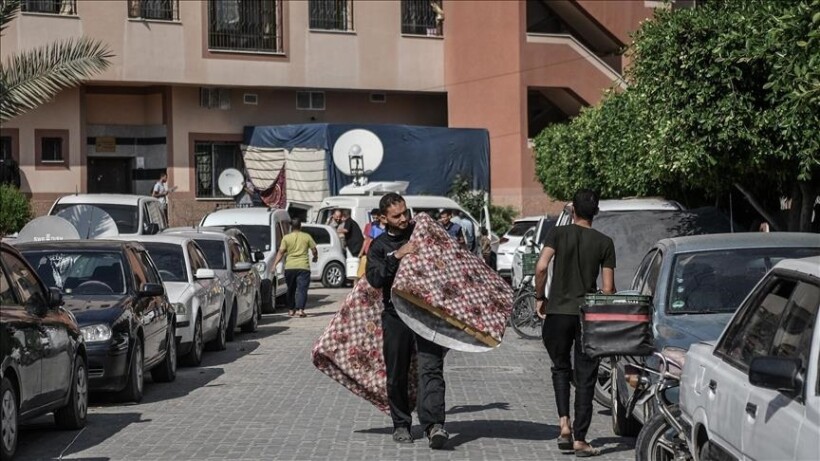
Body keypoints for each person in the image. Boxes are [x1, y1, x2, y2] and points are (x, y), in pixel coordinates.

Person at [533, 189, 615, 457]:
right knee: (586, 376)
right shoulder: (605, 242)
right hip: (586, 316)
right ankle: (580, 438)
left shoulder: (558, 234)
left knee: (560, 367)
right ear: (596, 213)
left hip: (557, 313)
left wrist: (539, 296)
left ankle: (563, 425)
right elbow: (608, 289)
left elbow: (542, 267)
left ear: (572, 211)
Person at [366, 193, 449, 449]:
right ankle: (401, 424)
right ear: (383, 218)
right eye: (396, 215)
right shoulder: (379, 247)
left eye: (405, 212)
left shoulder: (421, 233)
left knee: (431, 368)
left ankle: (434, 424)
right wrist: (397, 255)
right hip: (396, 316)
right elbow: (375, 279)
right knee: (397, 372)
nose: (404, 218)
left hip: (426, 314)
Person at [273, 218, 318, 318]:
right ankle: (300, 310)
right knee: (302, 289)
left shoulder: (286, 238)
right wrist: (315, 257)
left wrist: (274, 265)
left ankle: (290, 310)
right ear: (300, 226)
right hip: (303, 267)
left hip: (290, 267)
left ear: (291, 227)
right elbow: (314, 249)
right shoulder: (306, 236)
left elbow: (281, 252)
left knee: (291, 289)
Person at [358, 209, 385, 278]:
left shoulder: (387, 227)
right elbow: (369, 240)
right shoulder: (373, 227)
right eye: (373, 218)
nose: (375, 219)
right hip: (375, 251)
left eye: (376, 218)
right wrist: (364, 251)